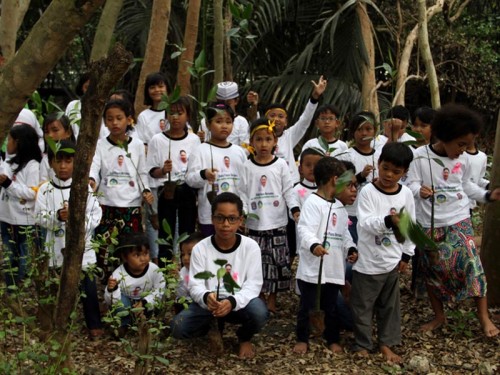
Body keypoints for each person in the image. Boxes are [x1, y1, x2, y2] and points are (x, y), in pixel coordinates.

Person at [406, 103, 500, 337]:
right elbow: (410, 184)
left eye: (466, 145)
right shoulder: (419, 157)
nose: (463, 150)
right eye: (460, 144)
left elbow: (467, 184)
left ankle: (483, 316)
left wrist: (487, 196)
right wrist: (420, 191)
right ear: (445, 136)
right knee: (433, 270)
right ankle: (439, 316)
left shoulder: (464, 159)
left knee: (472, 265)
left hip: (459, 219)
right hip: (428, 223)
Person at [171, 192, 268, 359]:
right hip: (210, 304)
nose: (225, 224)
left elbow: (253, 285)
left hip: (238, 302)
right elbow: (195, 284)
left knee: (259, 312)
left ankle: (244, 337)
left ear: (240, 220)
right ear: (212, 219)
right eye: (220, 218)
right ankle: (211, 328)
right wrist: (207, 297)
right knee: (177, 328)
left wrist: (232, 302)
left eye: (232, 219)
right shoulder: (201, 248)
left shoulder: (250, 247)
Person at [350, 142, 415, 363]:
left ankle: (387, 344)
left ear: (404, 173)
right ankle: (362, 344)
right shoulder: (368, 192)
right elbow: (365, 223)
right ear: (378, 164)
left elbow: (409, 226)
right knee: (362, 307)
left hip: (392, 262)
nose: (389, 174)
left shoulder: (405, 194)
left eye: (396, 172)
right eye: (385, 168)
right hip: (368, 263)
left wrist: (407, 254)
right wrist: (388, 220)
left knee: (390, 307)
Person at [34, 140, 103, 338]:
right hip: (56, 247)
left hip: (83, 249)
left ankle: (94, 323)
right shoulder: (45, 190)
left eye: (68, 161)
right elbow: (39, 217)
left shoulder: (84, 188)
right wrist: (57, 217)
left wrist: (75, 219)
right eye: (59, 161)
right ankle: (58, 325)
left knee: (88, 288)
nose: (63, 166)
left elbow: (96, 215)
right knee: (57, 288)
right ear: (51, 162)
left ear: (76, 162)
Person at [294, 157, 357, 354]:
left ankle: (332, 338)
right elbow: (304, 229)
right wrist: (314, 245)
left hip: (333, 268)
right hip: (313, 269)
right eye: (347, 182)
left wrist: (351, 248)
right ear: (334, 179)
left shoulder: (339, 206)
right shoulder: (312, 202)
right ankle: (302, 338)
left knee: (331, 307)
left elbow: (344, 233)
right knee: (307, 306)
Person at [239, 118, 300, 314]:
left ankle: (273, 299)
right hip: (255, 224)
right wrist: (243, 215)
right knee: (257, 262)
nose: (263, 144)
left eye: (268, 139)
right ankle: (261, 297)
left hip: (277, 222)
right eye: (258, 139)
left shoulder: (281, 165)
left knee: (276, 261)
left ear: (275, 142)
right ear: (252, 142)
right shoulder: (246, 166)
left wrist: (295, 209)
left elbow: (288, 191)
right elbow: (242, 193)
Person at [90, 99, 154, 278]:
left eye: (119, 118)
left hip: (131, 206)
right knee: (105, 249)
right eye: (109, 119)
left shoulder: (138, 145)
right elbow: (94, 167)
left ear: (129, 119)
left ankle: (131, 285)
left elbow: (142, 172)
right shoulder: (101, 145)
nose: (115, 123)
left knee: (130, 250)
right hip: (106, 205)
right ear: (104, 121)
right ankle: (108, 288)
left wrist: (146, 191)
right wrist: (91, 180)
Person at [147, 96, 200, 264]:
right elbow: (151, 171)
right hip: (167, 190)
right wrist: (163, 170)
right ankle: (165, 273)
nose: (175, 117)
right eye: (172, 113)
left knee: (188, 233)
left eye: (180, 113)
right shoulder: (158, 140)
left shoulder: (194, 140)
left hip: (187, 190)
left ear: (188, 116)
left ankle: (188, 272)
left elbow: (197, 170)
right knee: (165, 235)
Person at [185, 103, 247, 237]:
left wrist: (244, 211)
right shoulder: (200, 150)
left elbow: (245, 185)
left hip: (234, 215)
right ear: (207, 124)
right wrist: (204, 174)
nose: (224, 126)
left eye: (228, 122)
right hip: (209, 216)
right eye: (218, 121)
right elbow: (190, 179)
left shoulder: (239, 152)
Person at [0, 124, 42, 287]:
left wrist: (10, 185)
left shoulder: (32, 165)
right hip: (6, 217)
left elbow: (33, 193)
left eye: (9, 140)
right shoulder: (8, 162)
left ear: (18, 142)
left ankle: (20, 284)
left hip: (24, 220)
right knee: (9, 254)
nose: (7, 143)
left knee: (23, 255)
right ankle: (11, 287)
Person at [264, 76, 327, 184]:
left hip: (291, 184)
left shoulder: (289, 136)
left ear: (286, 122)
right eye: (272, 115)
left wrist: (314, 97)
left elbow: (305, 120)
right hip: (269, 184)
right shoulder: (261, 139)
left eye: (280, 116)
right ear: (266, 119)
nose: (276, 119)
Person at [105, 233, 165, 335]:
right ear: (125, 257)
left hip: (148, 304)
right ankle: (125, 324)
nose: (143, 259)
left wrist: (145, 303)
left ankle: (152, 323)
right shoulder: (118, 274)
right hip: (128, 304)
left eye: (145, 253)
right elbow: (110, 301)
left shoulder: (154, 270)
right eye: (137, 255)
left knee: (159, 303)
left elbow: (160, 289)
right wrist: (112, 289)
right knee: (120, 305)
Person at [336, 111, 379, 243]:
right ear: (353, 132)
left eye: (368, 129)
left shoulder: (381, 156)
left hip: (374, 212)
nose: (364, 133)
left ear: (375, 131)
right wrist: (360, 176)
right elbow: (339, 186)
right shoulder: (346, 156)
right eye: (359, 129)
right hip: (352, 213)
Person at [290, 148, 324, 264]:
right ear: (300, 169)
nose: (312, 169)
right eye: (308, 165)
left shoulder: (326, 190)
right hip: (303, 244)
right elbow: (294, 211)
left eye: (317, 165)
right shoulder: (296, 190)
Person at [198, 81, 250, 146]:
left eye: (228, 103)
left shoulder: (241, 122)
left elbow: (245, 147)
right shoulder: (206, 120)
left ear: (236, 101)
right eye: (221, 103)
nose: (225, 107)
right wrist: (200, 139)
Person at [174, 232, 204, 314]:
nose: (185, 258)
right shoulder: (184, 271)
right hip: (190, 304)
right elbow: (181, 294)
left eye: (190, 254)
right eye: (183, 254)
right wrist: (178, 279)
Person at [40, 113, 75, 182]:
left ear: (68, 132)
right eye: (46, 132)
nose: (50, 135)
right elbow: (43, 183)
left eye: (55, 130)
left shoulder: (79, 154)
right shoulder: (45, 160)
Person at [135, 72, 168, 146]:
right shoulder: (143, 116)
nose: (157, 90)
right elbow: (141, 142)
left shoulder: (174, 112)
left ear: (167, 88)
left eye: (160, 86)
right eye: (152, 87)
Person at [65, 72, 90, 139]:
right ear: (81, 88)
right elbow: (66, 127)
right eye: (87, 87)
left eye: (93, 88)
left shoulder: (104, 107)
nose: (90, 91)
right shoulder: (72, 105)